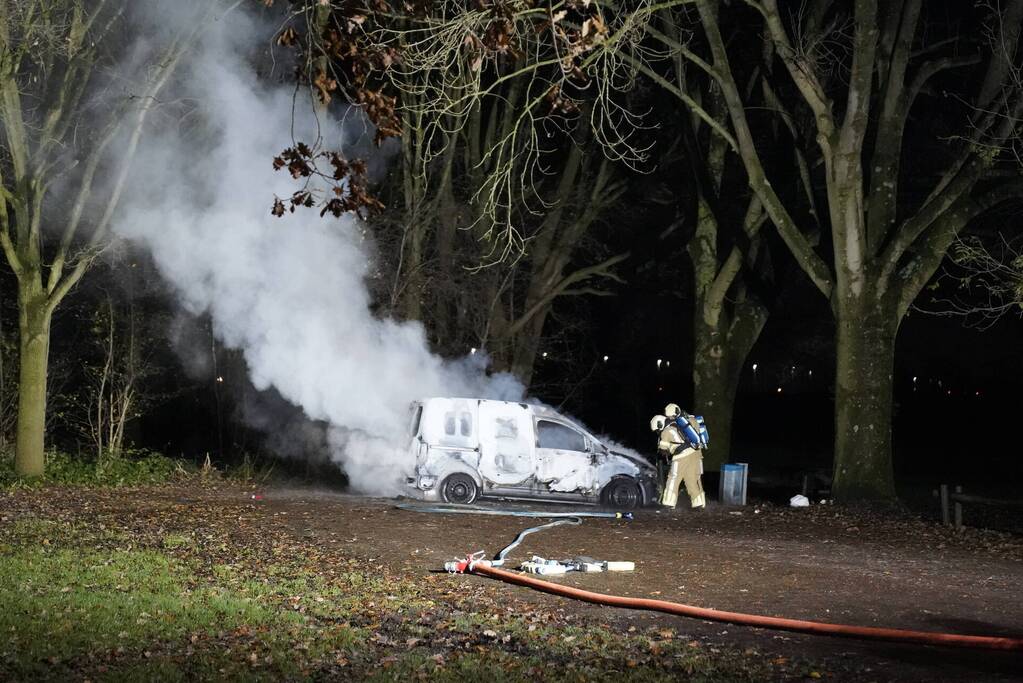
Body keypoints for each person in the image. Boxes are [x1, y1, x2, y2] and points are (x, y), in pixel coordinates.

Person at [658, 403, 706, 509]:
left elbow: (663, 450)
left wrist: (667, 451)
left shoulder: (667, 430)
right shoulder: (692, 420)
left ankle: (668, 503)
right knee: (691, 479)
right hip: (696, 454)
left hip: (681, 458)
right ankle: (698, 503)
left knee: (673, 478)